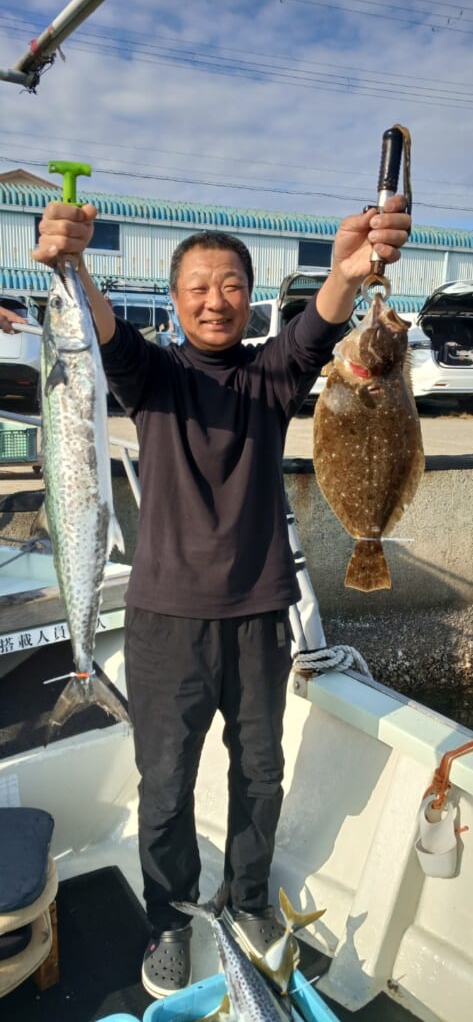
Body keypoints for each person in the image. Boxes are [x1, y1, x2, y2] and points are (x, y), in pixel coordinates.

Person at [32, 195, 410, 998]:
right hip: (165, 624)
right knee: (166, 784)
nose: (215, 300)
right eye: (198, 287)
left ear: (249, 294)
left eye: (231, 284)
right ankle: (170, 918)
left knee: (260, 775)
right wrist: (74, 263)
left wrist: (349, 271)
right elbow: (103, 333)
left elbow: (317, 326)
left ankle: (248, 900)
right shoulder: (152, 375)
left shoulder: (270, 376)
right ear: (174, 301)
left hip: (260, 618)